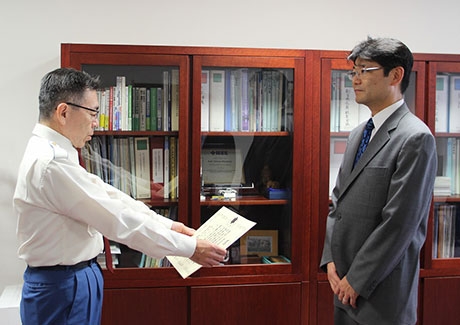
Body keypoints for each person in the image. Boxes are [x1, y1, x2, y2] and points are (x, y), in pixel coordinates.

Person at [13, 67, 227, 324]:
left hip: (73, 279)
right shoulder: (50, 163)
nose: (96, 122)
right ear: (64, 112)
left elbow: (110, 197)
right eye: (92, 112)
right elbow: (116, 219)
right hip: (62, 285)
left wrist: (169, 225)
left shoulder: (56, 152)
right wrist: (189, 248)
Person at [320, 37, 437, 325]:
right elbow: (338, 202)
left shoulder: (415, 137)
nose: (355, 80)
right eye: (353, 72)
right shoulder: (359, 133)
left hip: (380, 294)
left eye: (364, 71)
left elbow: (399, 223)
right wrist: (331, 260)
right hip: (343, 284)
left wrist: (357, 280)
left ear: (395, 75)